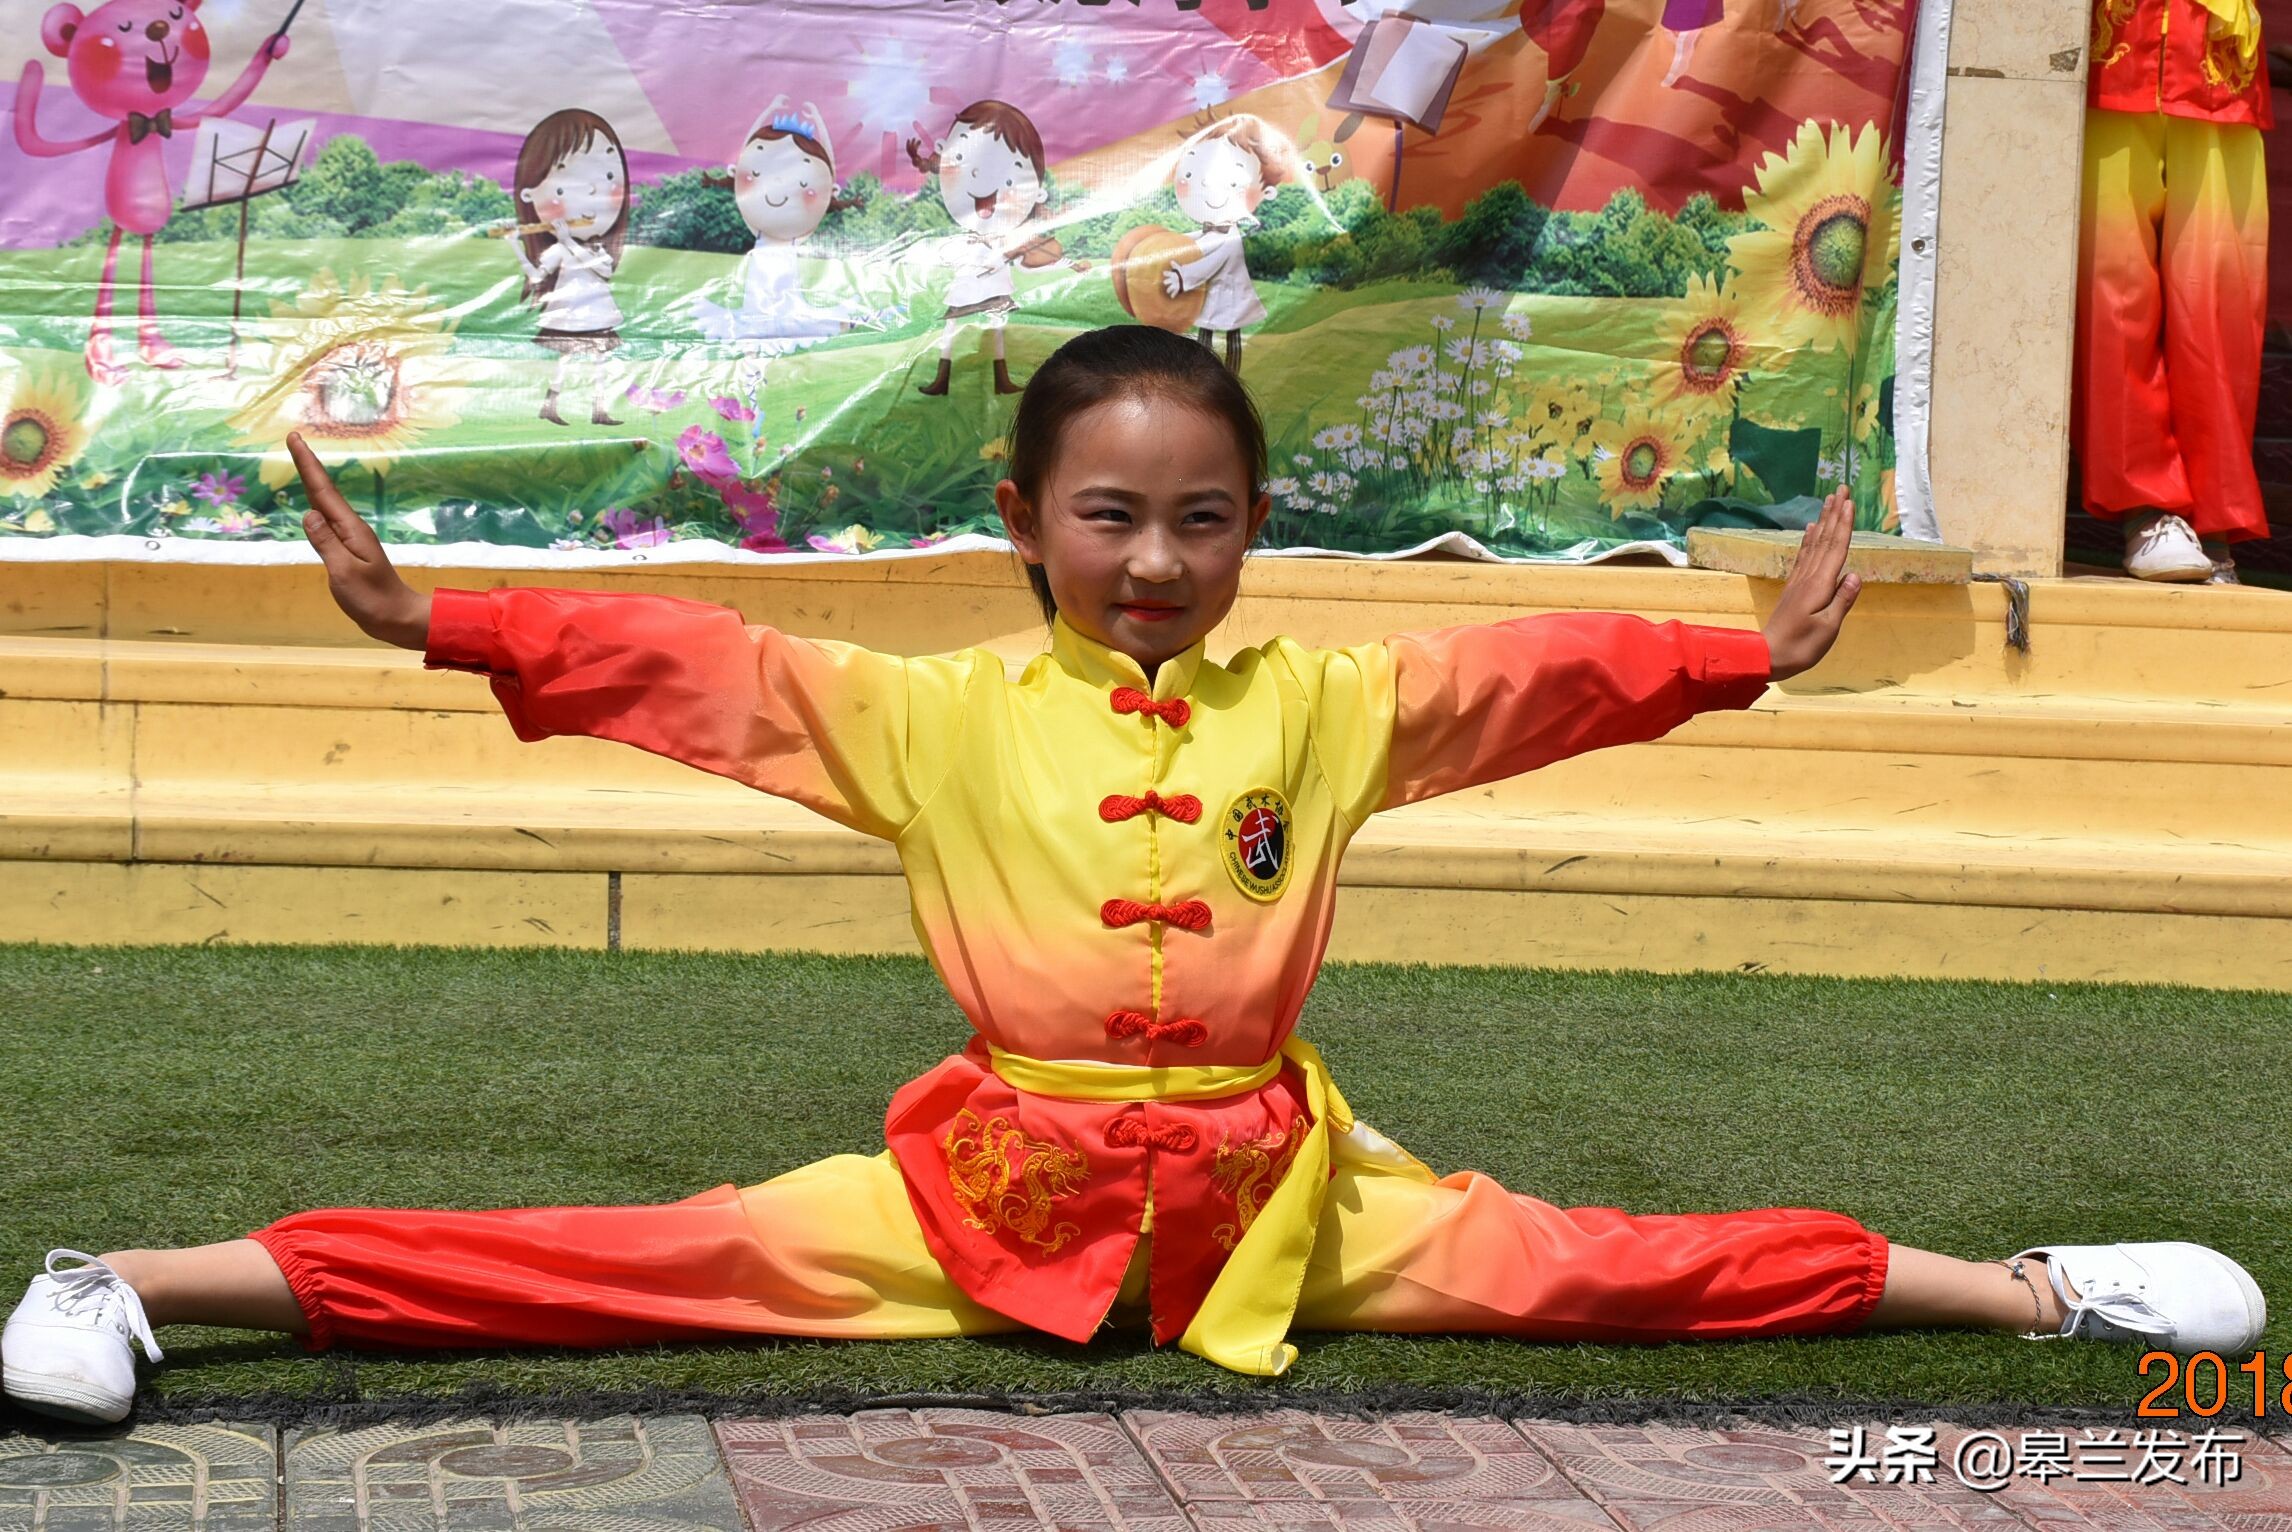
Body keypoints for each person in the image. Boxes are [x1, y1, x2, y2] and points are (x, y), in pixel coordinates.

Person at [1, 326, 2265, 1427]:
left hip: (1291, 1197)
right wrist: (451, 621)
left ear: (1248, 524)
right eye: (1108, 514)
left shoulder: (1325, 703)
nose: (1158, 556)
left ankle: (2031, 1283)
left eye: (1200, 516)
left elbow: (1524, 674)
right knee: (611, 1261)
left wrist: (1723, 658)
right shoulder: (931, 718)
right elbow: (691, 663)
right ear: (1023, 518)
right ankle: (133, 1272)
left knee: (1612, 1267)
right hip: (974, 1186)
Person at [2075, 0, 2272, 581]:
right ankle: (2148, 510)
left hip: (2219, 66)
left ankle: (2213, 525)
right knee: (2113, 296)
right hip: (2111, 54)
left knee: (2220, 305)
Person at [509, 109, 632, 429]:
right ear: (528, 195)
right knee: (564, 361)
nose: (593, 193)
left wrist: (568, 239)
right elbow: (537, 276)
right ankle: (550, 404)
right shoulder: (560, 248)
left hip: (598, 315)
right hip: (569, 315)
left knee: (599, 363)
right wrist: (514, 246)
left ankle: (599, 408)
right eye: (562, 189)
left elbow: (602, 271)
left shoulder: (593, 249)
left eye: (608, 178)